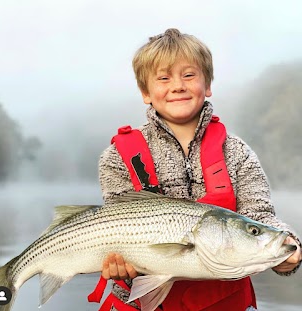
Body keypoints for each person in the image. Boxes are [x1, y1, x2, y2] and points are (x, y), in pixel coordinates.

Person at [96, 28, 301, 311]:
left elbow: (260, 216)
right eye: (164, 78)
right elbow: (115, 225)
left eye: (189, 75)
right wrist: (117, 263)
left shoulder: (237, 152)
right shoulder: (116, 156)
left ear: (207, 85)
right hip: (143, 301)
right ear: (146, 92)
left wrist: (287, 244)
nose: (178, 86)